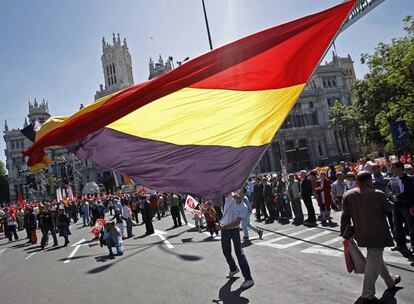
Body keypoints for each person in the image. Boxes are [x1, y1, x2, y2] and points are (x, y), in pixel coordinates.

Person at [340, 171, 400, 303]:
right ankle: (367, 295)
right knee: (373, 263)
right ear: (368, 181)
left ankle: (390, 282)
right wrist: (392, 199)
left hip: (360, 233)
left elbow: (345, 215)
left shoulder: (348, 195)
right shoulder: (378, 194)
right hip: (378, 233)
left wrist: (344, 232)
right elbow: (389, 208)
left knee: (375, 257)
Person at [218, 189, 254, 289]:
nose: (238, 193)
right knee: (226, 251)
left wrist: (223, 227)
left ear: (243, 195)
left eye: (240, 192)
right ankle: (233, 268)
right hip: (224, 229)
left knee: (239, 253)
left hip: (233, 230)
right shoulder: (229, 198)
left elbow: (237, 223)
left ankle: (248, 279)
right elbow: (224, 188)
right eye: (237, 191)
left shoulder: (244, 207)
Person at [386, 161, 414, 253]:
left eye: (393, 167)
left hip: (407, 205)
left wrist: (397, 197)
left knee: (411, 226)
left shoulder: (410, 179)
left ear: (399, 168)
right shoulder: (393, 179)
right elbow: (388, 189)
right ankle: (401, 245)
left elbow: (409, 191)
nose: (391, 169)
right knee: (397, 225)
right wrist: (391, 196)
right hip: (396, 206)